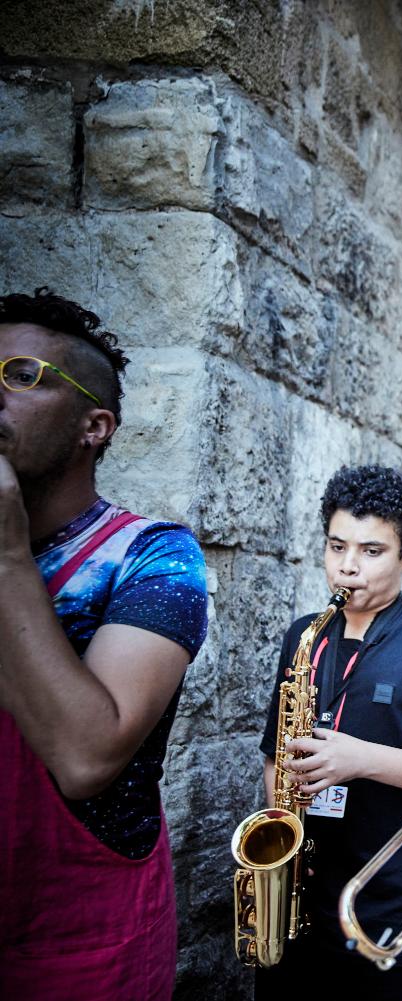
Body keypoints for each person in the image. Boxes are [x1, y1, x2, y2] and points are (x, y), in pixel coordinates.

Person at [0, 289, 209, 1000]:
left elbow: (88, 755)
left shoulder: (157, 557)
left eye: (20, 375)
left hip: (80, 943)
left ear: (95, 425)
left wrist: (5, 550)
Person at [255, 465, 402, 999]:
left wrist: (362, 759)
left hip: (400, 908)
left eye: (371, 551)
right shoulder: (304, 635)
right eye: (336, 547)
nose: (347, 569)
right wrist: (283, 829)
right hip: (301, 901)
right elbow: (275, 752)